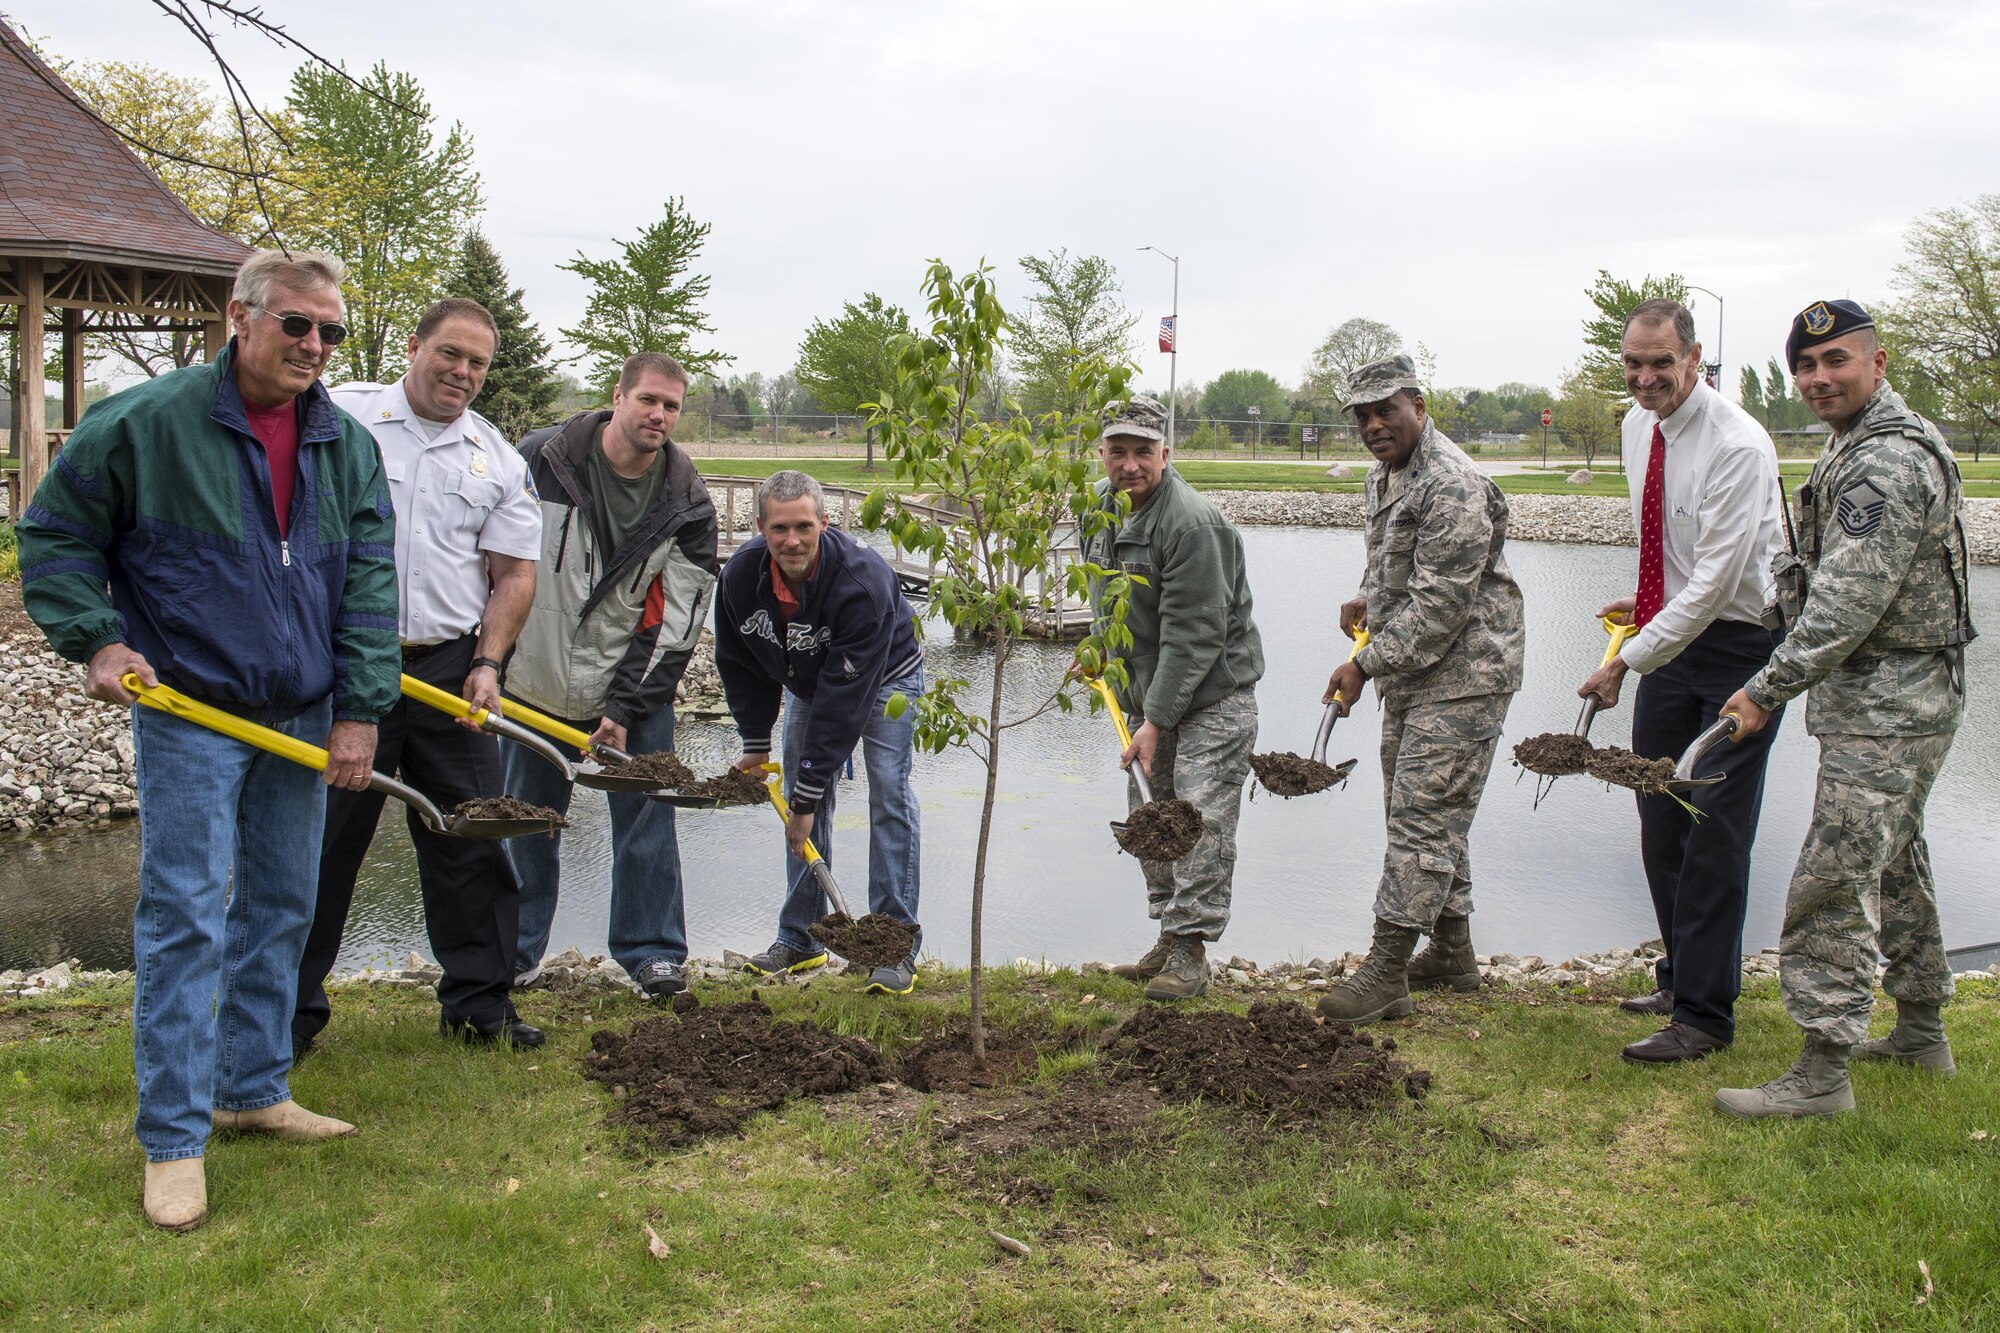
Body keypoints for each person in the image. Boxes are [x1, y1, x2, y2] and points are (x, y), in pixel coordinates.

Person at [16, 250, 398, 1231]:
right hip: (190, 712)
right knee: (185, 916)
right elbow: (55, 537)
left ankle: (250, 1086)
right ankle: (174, 1140)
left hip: (302, 715)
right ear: (242, 316)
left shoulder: (345, 447)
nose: (314, 345)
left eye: (331, 332)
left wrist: (359, 710)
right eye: (296, 325)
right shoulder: (147, 423)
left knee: (279, 904)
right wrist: (94, 638)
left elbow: (366, 588)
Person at [1715, 299, 1975, 1118]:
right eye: (1807, 367)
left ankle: (1823, 1072)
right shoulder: (1856, 446)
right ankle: (1922, 1030)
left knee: (1833, 875)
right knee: (1896, 862)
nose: (1820, 379)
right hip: (1893, 696)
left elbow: (1845, 607)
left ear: (1878, 362)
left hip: (1891, 703)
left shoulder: (1881, 464)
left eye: (1837, 363)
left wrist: (1763, 689)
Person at [293, 298, 543, 1055]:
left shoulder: (497, 457)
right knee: (319, 844)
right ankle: (286, 1014)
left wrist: (489, 663)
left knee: (470, 840)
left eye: (477, 363)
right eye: (449, 355)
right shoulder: (339, 415)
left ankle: (479, 1008)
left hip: (446, 668)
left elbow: (514, 575)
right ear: (414, 347)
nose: (462, 373)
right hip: (340, 664)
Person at [1574, 299, 1786, 1064]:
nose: (1646, 377)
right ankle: (1677, 976)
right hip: (1675, 639)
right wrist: (1645, 604)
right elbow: (1671, 550)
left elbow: (1719, 582)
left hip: (1741, 649)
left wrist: (1624, 659)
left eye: (1661, 363)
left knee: (1714, 831)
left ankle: (1704, 1017)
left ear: (1694, 359)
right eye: (1634, 363)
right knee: (1659, 813)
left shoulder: (1738, 445)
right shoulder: (1639, 428)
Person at [502, 352, 718, 999]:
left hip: (630, 693)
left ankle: (652, 953)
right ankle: (513, 952)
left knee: (648, 822)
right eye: (649, 399)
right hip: (531, 683)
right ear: (617, 395)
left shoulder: (689, 502)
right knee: (525, 822)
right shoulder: (539, 460)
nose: (659, 414)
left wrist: (623, 708)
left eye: (672, 406)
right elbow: (491, 558)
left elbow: (675, 621)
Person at [1317, 354, 1524, 1025]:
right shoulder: (1388, 476)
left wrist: (1364, 663)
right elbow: (1405, 569)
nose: (1374, 424)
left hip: (1466, 674)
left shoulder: (1452, 482)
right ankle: (1454, 949)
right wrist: (1369, 597)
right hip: (1415, 673)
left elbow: (1439, 608)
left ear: (1419, 405)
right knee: (1422, 809)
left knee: (1423, 813)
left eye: (1386, 410)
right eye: (1363, 415)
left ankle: (1386, 969)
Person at [713, 470, 925, 994]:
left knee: (888, 793)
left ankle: (894, 945)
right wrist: (754, 741)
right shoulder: (740, 578)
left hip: (885, 676)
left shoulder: (862, 581)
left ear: (825, 524)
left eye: (804, 527)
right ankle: (803, 939)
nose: (792, 540)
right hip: (806, 680)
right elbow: (738, 662)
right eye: (780, 528)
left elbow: (843, 705)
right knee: (801, 804)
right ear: (760, 527)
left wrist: (805, 793)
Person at [1084, 396, 1263, 1002]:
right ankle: (1168, 931)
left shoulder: (1193, 524)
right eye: (1118, 451)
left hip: (1214, 696)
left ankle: (1191, 949)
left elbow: (1195, 634)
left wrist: (1155, 721)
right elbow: (1104, 599)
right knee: (1148, 817)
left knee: (1198, 820)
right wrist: (1100, 649)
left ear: (1166, 453)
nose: (1129, 464)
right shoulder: (1099, 512)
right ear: (1102, 453)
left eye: (1143, 452)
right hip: (1147, 693)